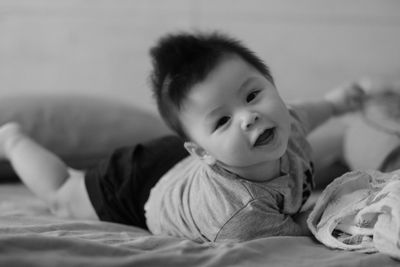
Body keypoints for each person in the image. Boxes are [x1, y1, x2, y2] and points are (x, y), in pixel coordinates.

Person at [0, 31, 365, 243]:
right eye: (222, 120)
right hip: (140, 184)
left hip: (189, 163)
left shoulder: (275, 121)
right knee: (63, 193)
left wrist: (336, 103)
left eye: (253, 94)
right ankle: (13, 140)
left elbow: (306, 111)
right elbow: (309, 227)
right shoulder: (240, 216)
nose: (248, 115)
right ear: (201, 150)